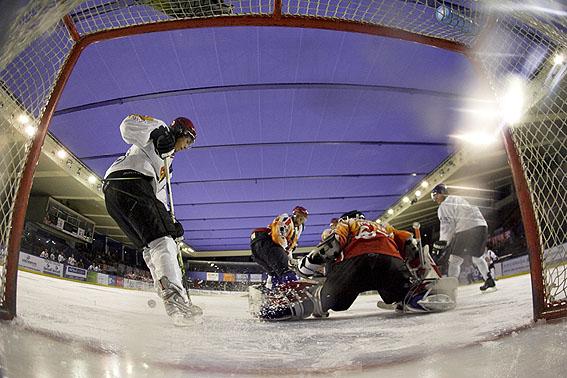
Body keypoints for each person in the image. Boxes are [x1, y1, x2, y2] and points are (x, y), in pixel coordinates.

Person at [251, 211, 457, 320]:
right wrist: (417, 276)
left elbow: (331, 247)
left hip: (354, 266)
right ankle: (416, 297)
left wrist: (305, 268)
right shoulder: (385, 226)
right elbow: (411, 247)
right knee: (401, 291)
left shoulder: (346, 224)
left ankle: (300, 306)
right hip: (389, 262)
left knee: (327, 300)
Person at [103, 114, 201, 326]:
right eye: (189, 140)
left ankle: (169, 297)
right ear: (181, 132)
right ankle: (175, 297)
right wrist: (155, 133)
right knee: (162, 241)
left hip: (116, 195)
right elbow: (126, 126)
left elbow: (159, 199)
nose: (187, 146)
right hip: (131, 180)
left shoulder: (168, 165)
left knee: (151, 247)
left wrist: (170, 223)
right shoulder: (160, 128)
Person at [430, 183, 495, 291]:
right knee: (477, 257)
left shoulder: (444, 206)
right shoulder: (459, 198)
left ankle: (450, 289)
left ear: (442, 193)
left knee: (454, 260)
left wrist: (443, 242)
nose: (435, 199)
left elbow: (447, 226)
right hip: (482, 226)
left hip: (466, 230)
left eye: (436, 195)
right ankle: (489, 280)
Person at [249, 206, 309, 288]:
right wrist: (288, 259)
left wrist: (289, 258)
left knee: (275, 273)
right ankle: (293, 289)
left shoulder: (295, 231)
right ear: (294, 215)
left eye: (302, 219)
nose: (299, 220)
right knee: (285, 270)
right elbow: (277, 236)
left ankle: (274, 292)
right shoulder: (286, 220)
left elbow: (288, 248)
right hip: (267, 243)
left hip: (258, 249)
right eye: (298, 216)